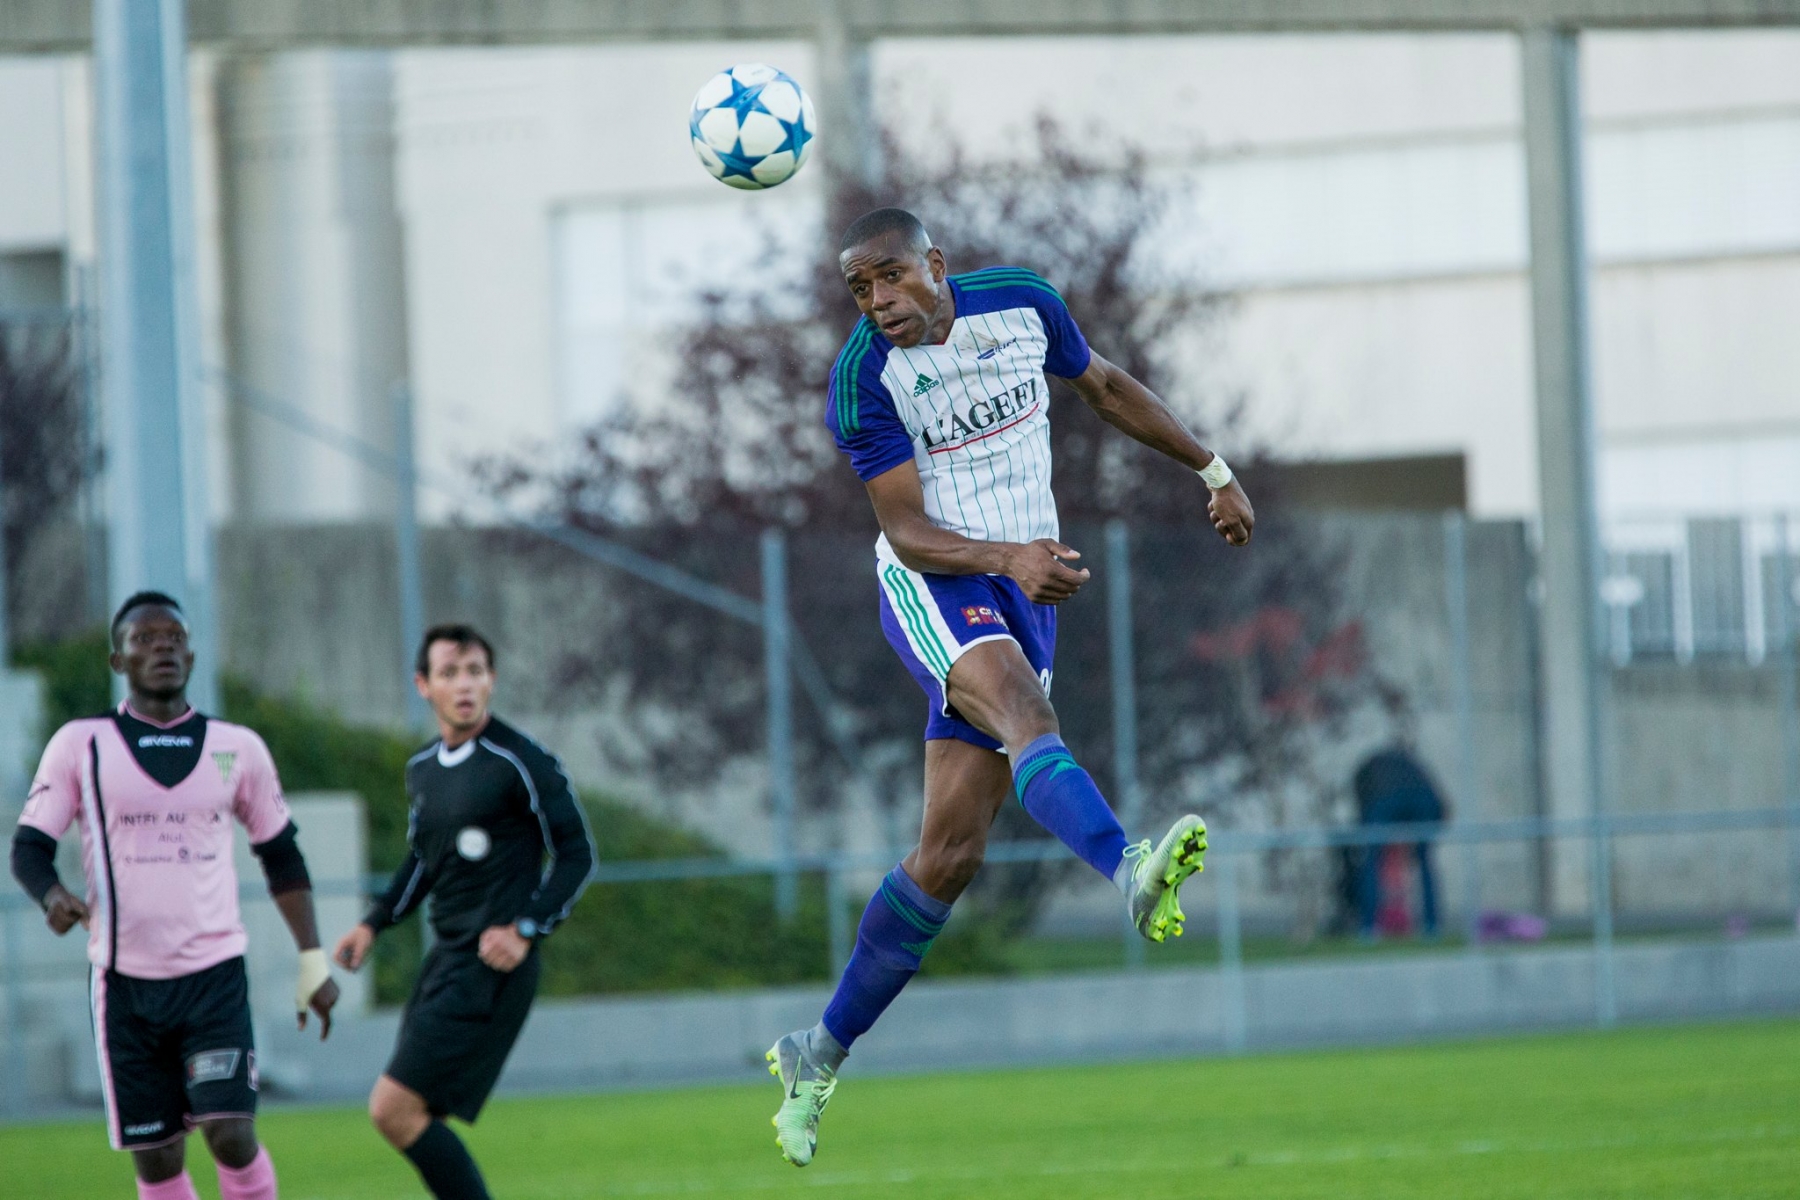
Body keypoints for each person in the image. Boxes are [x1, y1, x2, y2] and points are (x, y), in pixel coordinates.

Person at [766, 208, 1256, 1166]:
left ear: (934, 266)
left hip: (1026, 588)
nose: (878, 302)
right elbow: (907, 530)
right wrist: (1006, 557)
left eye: (891, 277)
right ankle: (1128, 868)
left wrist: (1213, 468)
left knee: (948, 856)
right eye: (860, 290)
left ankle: (814, 1054)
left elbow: (1107, 387)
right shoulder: (863, 378)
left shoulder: (1025, 303)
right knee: (1031, 716)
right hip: (936, 580)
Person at [8, 591, 339, 1200]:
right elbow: (28, 846)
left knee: (230, 1132)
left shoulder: (237, 748)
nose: (162, 647)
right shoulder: (80, 745)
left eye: (174, 638)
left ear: (191, 651)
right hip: (123, 985)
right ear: (117, 661)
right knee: (157, 1158)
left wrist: (313, 960)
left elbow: (282, 856)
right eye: (144, 639)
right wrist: (51, 893)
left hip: (213, 977)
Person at [333, 624, 596, 1200]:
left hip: (489, 968)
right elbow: (424, 862)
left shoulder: (522, 761)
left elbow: (577, 855)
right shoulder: (423, 768)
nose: (465, 684)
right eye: (449, 673)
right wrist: (372, 923)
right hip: (445, 962)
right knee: (414, 1114)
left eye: (475, 671)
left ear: (492, 680)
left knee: (391, 1108)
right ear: (423, 685)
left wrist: (526, 928)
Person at [1352, 738, 1447, 939]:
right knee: (1425, 859)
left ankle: (1369, 928)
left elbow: (1363, 811)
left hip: (1389, 798)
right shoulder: (1411, 766)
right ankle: (1432, 927)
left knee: (1371, 859)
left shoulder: (1370, 770)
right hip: (1421, 799)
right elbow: (1439, 806)